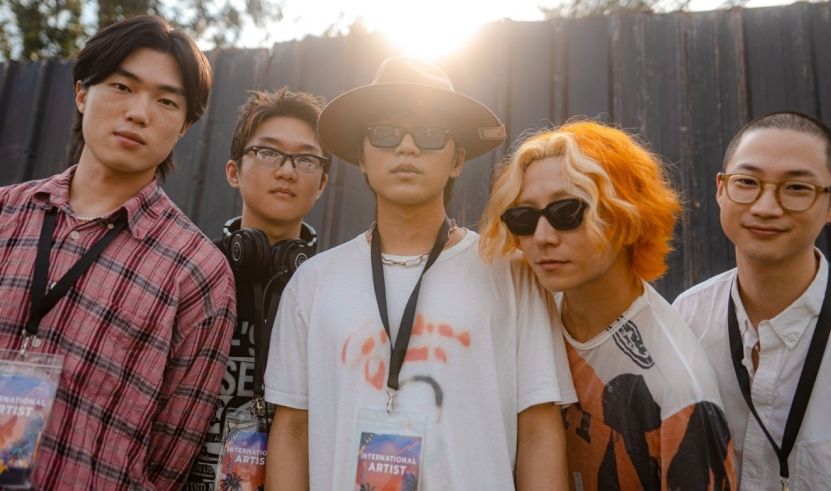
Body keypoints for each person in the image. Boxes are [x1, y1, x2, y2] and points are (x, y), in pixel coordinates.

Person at [263, 55, 575, 490]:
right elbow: (293, 430)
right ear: (362, 157)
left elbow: (539, 430)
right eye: (385, 133)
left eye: (430, 134)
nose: (407, 147)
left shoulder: (511, 273)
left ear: (457, 160)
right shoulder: (312, 283)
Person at [0, 15, 235, 489]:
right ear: (82, 93)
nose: (139, 113)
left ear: (185, 126)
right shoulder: (5, 213)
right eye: (122, 87)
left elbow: (169, 458)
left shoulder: (197, 272)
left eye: (166, 101)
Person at [480, 121, 736, 490]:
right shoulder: (529, 309)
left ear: (627, 215)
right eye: (524, 217)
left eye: (567, 212)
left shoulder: (679, 392)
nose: (543, 237)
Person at [673, 112, 831, 490]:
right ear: (721, 189)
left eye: (797, 187)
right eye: (747, 182)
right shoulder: (685, 318)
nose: (766, 207)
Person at [187, 88, 329, 489]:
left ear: (322, 183)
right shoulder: (190, 273)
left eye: (306, 159)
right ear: (234, 171)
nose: (287, 171)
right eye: (268, 152)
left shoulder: (333, 288)